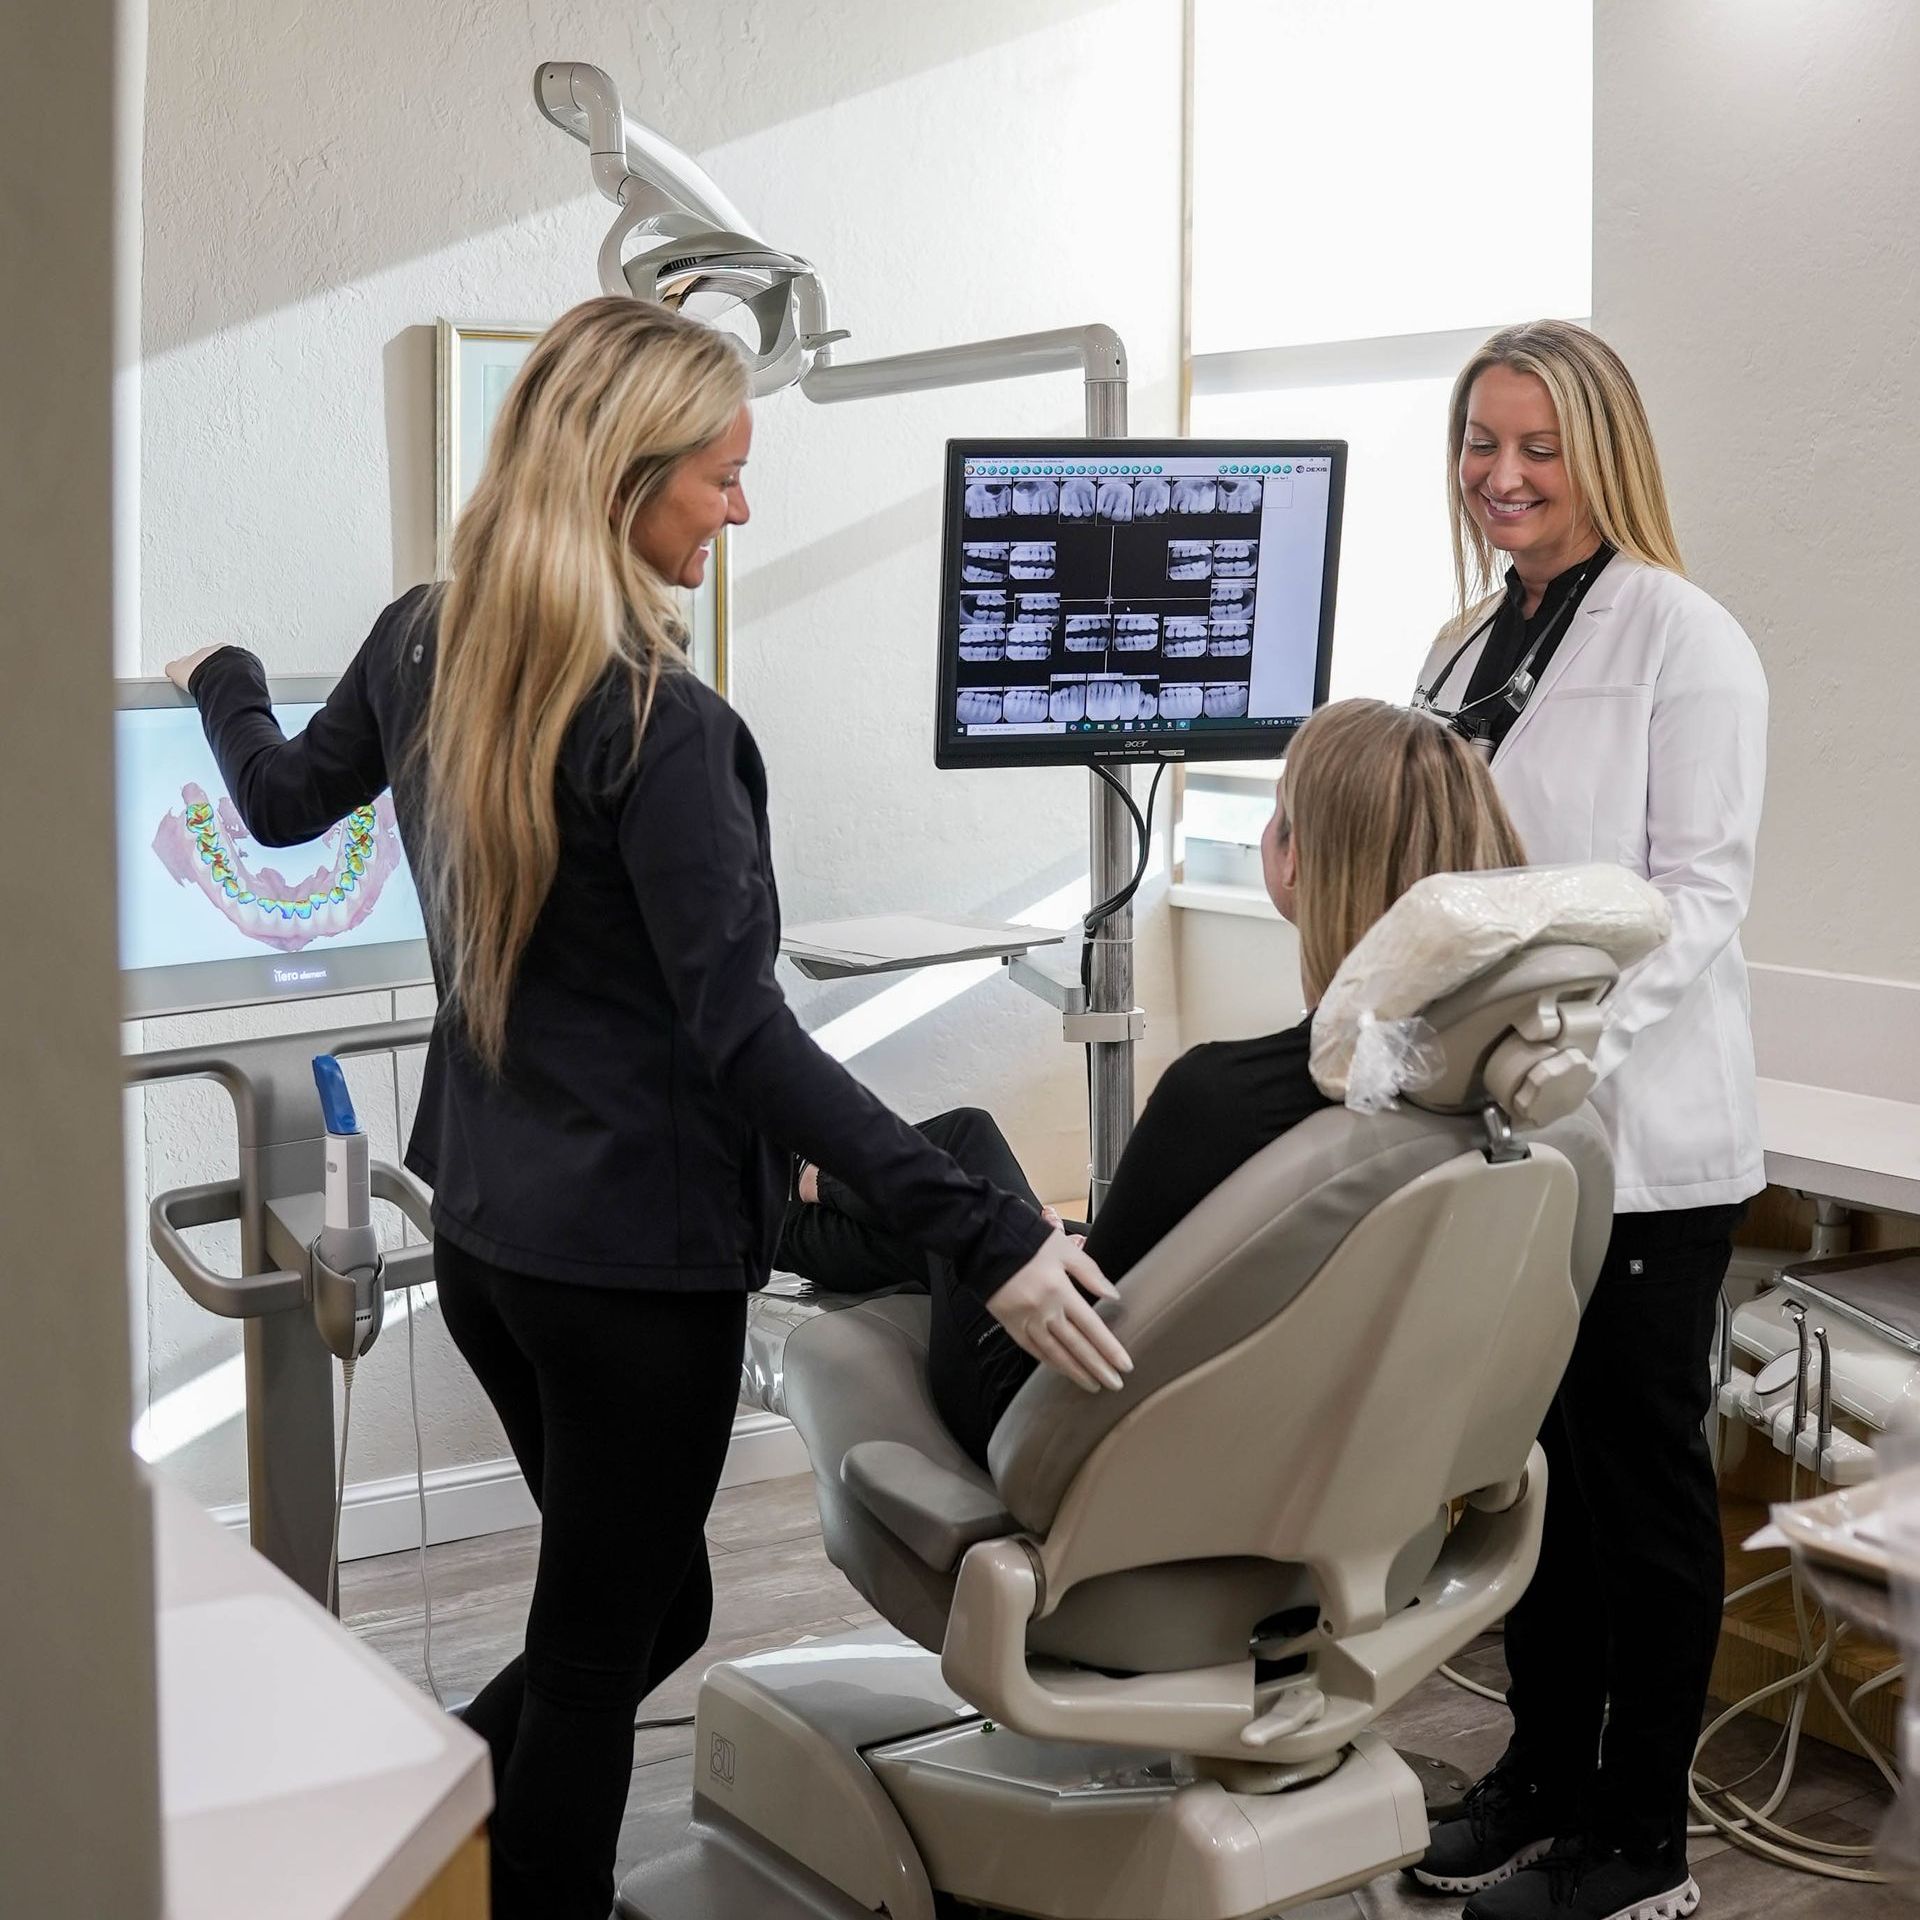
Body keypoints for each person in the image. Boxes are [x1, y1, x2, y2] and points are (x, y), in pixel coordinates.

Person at [161, 294, 1130, 1920]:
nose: (741, 511)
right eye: (721, 478)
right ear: (626, 481)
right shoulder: (663, 733)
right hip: (631, 1287)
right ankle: (510, 1884)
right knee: (606, 1648)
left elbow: (270, 803)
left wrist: (228, 676)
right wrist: (993, 1234)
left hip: (488, 1252)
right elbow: (747, 1043)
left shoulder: (425, 640)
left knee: (632, 1613)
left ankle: (415, 1823)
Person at [1409, 319, 1767, 1920]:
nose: (1504, 476)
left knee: (1636, 1490)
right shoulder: (1464, 647)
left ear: (1602, 453)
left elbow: (1699, 897)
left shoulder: (1686, 640)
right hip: (1502, 1144)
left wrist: (1568, 1049)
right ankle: (1541, 1773)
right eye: (1484, 444)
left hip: (1640, 1140)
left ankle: (1639, 1847)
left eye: (1537, 447)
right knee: (1518, 1480)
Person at [924, 697, 1529, 1469]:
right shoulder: (1489, 1098)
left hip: (1060, 1426)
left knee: (956, 1166)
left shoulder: (1223, 1098)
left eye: (1279, 816)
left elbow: (1098, 1315)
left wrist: (1023, 1242)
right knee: (981, 1185)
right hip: (1318, 1453)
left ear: (1295, 859)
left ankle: (781, 1195)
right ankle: (794, 1194)